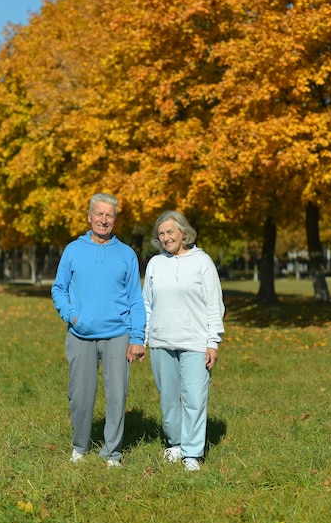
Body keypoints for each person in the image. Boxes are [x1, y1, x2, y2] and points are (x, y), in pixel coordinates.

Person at [51, 193, 146, 468]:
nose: (104, 220)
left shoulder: (126, 254)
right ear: (89, 216)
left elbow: (135, 299)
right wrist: (72, 316)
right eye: (99, 214)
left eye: (110, 215)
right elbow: (58, 289)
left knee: (117, 395)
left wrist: (137, 338)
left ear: (115, 220)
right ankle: (80, 446)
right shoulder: (72, 250)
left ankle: (112, 452)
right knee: (79, 395)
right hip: (80, 334)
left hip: (118, 334)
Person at [143, 211, 224, 472]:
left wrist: (213, 341)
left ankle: (192, 452)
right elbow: (147, 304)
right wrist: (143, 337)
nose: (166, 238)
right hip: (161, 341)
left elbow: (214, 304)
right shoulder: (155, 264)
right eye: (162, 234)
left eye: (170, 232)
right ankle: (175, 443)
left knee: (194, 398)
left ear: (183, 233)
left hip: (195, 342)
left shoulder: (203, 262)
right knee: (168, 398)